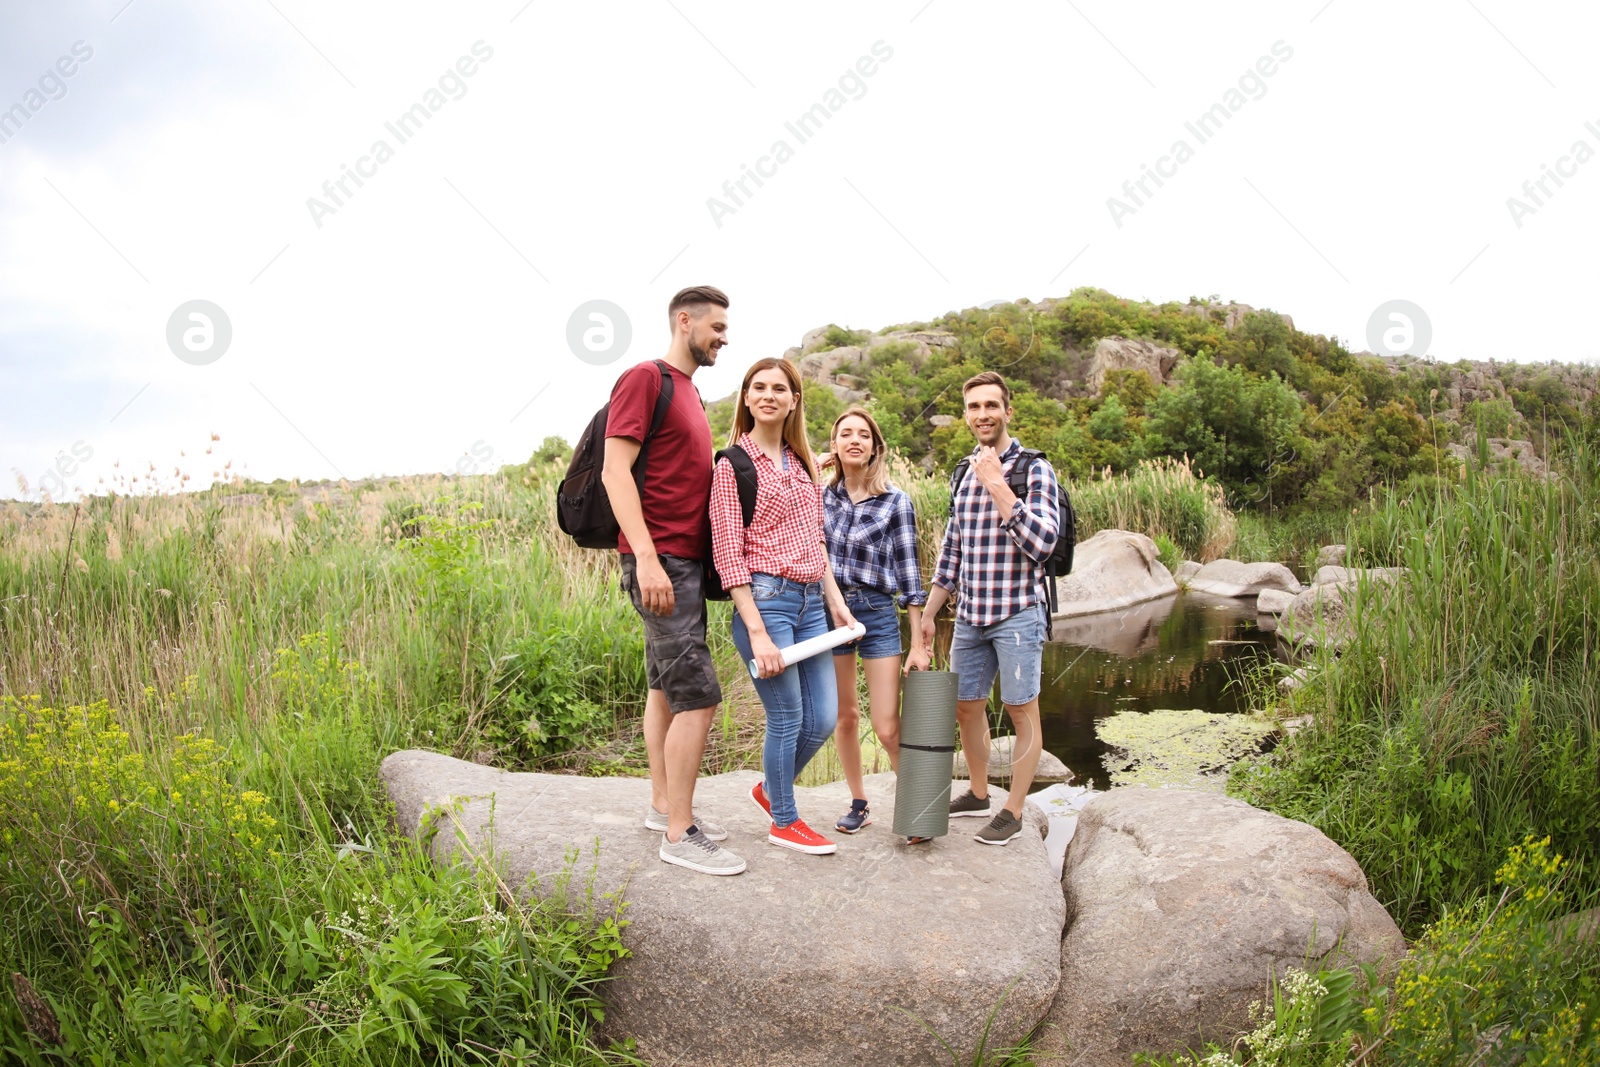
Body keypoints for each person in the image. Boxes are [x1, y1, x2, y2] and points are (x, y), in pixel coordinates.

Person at [602, 285, 745, 876]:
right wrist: (648, 556)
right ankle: (681, 835)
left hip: (682, 563)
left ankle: (665, 807)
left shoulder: (688, 391)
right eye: (715, 327)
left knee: (663, 687)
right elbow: (615, 471)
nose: (723, 337)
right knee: (700, 695)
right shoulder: (646, 378)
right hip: (659, 561)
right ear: (684, 322)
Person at [711, 357, 859, 856]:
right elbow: (728, 554)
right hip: (767, 604)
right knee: (787, 718)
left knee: (824, 718)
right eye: (759, 387)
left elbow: (815, 542)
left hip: (812, 604)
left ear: (794, 399)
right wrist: (755, 630)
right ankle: (784, 819)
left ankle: (770, 790)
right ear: (747, 398)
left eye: (780, 388)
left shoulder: (802, 465)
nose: (769, 395)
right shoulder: (731, 464)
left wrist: (837, 605)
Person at [918, 371, 1061, 846]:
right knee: (965, 707)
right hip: (970, 615)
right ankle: (978, 792)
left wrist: (999, 485)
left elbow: (1043, 544)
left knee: (1022, 712)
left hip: (1019, 612)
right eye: (974, 407)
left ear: (1007, 411)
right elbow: (951, 552)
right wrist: (927, 615)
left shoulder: (1034, 469)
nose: (983, 414)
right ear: (966, 414)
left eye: (991, 406)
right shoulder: (962, 471)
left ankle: (1014, 809)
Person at [819, 407, 930, 835]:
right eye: (845, 434)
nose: (854, 440)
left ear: (874, 446)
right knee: (845, 717)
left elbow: (909, 573)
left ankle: (918, 805)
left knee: (886, 726)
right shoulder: (820, 495)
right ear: (834, 445)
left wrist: (919, 642)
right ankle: (859, 803)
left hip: (878, 612)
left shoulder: (895, 501)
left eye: (863, 434)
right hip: (831, 613)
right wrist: (819, 464)